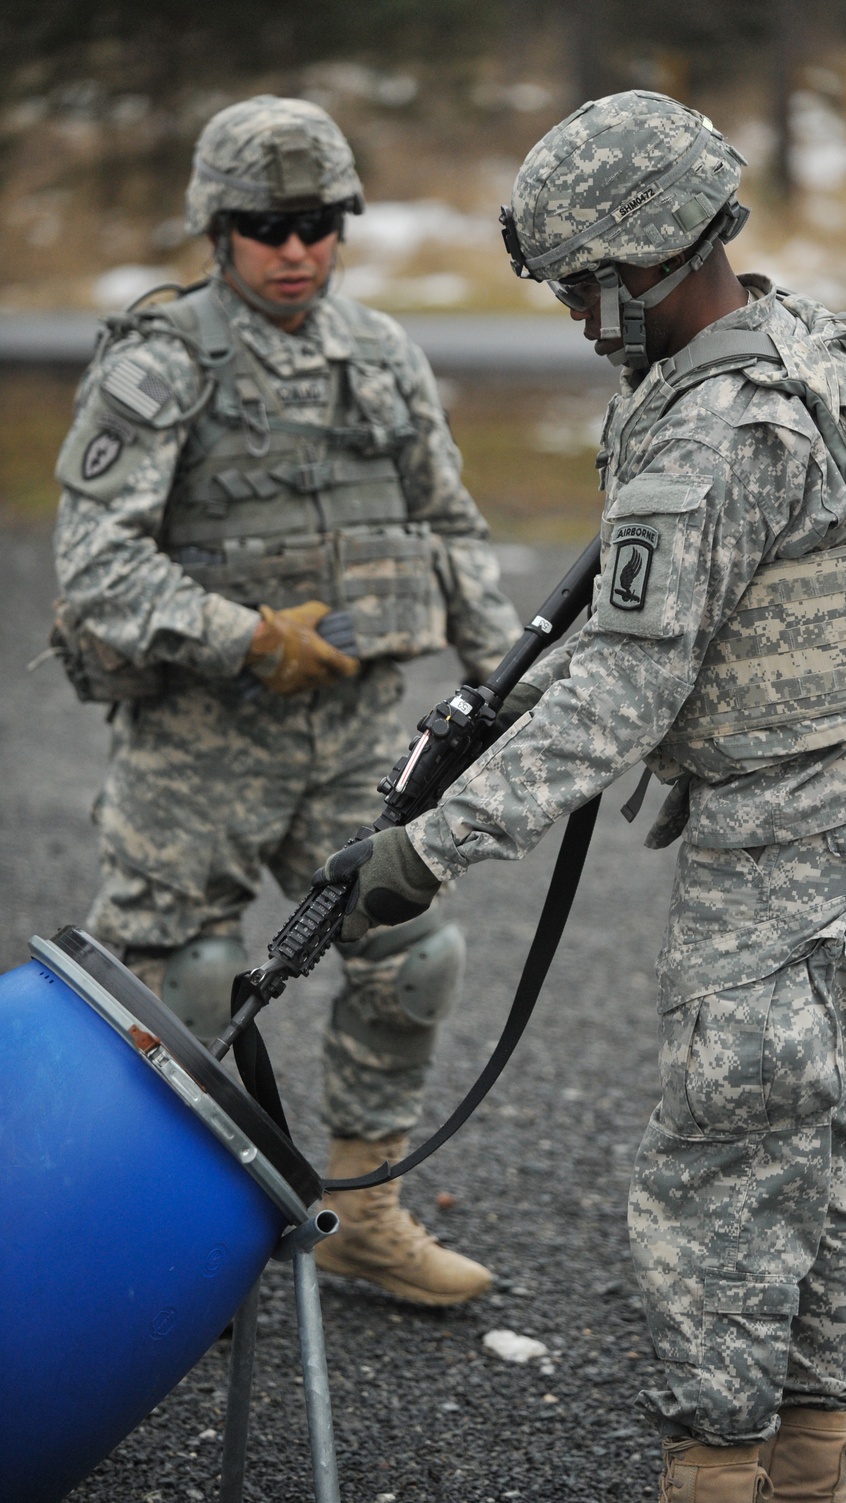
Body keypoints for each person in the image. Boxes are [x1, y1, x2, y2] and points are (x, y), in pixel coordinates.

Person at [317, 92, 846, 1501]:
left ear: (646, 265)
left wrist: (425, 849)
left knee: (722, 1163)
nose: (570, 312)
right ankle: (807, 1459)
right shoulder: (803, 339)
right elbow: (729, 631)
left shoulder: (712, 432)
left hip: (798, 838)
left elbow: (621, 688)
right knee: (817, 1137)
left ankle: (717, 1473)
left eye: (580, 286)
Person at [52, 95, 522, 1307]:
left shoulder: (382, 354)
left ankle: (365, 1218)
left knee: (414, 955)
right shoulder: (162, 363)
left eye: (319, 222)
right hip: (200, 742)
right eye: (268, 225)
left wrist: (502, 678)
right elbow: (94, 565)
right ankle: (169, 1257)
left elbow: (447, 524)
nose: (297, 250)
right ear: (219, 228)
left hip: (359, 738)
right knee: (182, 988)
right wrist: (244, 637)